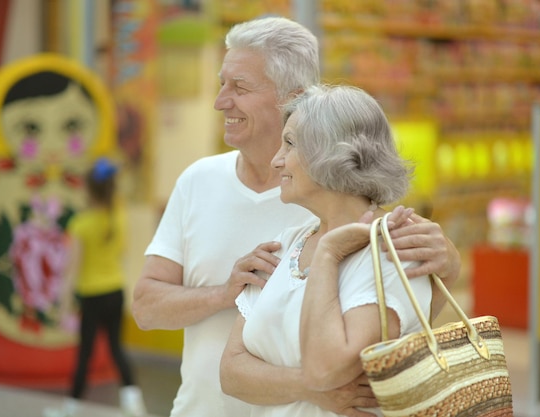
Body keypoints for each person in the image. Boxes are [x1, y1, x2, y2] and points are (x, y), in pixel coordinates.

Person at [132, 16, 461, 417]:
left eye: (240, 87)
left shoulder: (349, 223)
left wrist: (449, 262)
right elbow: (148, 309)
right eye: (222, 83)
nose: (220, 101)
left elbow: (397, 317)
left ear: (296, 97)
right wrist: (226, 292)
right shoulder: (209, 187)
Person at [220, 84, 431, 417]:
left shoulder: (394, 250)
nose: (276, 161)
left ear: (332, 151)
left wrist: (329, 253)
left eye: (289, 143)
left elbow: (328, 369)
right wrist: (308, 389)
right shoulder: (288, 241)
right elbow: (231, 373)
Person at [44, 158, 147, 417]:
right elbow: (121, 253)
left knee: (85, 355)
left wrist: (64, 304)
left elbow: (71, 270)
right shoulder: (118, 218)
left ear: (88, 190)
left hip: (91, 296)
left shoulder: (81, 224)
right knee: (116, 348)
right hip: (115, 291)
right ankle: (134, 403)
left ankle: (71, 408)